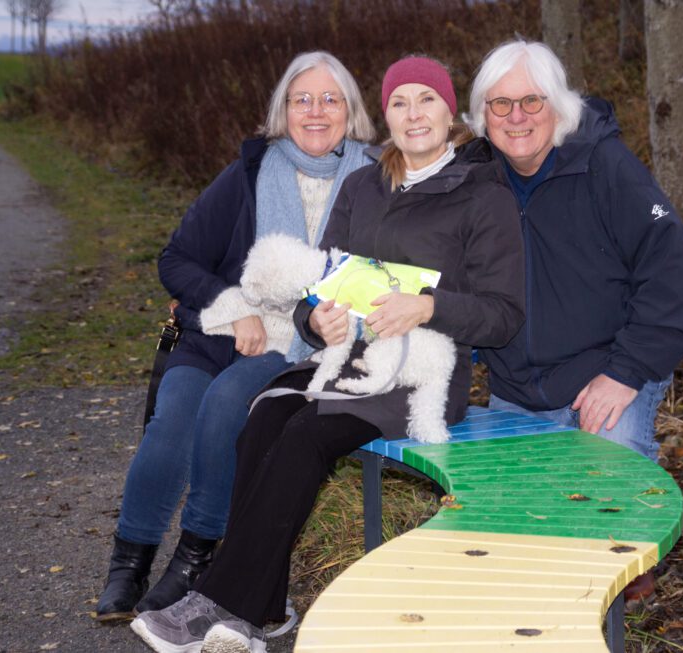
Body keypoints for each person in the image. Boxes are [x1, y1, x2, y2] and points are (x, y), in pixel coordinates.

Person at [129, 56, 525, 653]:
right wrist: (313, 318)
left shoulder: (482, 196)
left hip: (419, 377)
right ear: (385, 115)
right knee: (264, 414)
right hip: (347, 360)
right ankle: (261, 608)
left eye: (427, 101)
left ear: (451, 113)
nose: (413, 114)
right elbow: (320, 286)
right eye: (400, 102)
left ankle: (226, 606)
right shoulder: (364, 184)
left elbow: (504, 314)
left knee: (305, 434)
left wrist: (427, 306)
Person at [96, 51, 376, 621]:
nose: (316, 111)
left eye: (330, 99)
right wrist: (232, 308)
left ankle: (196, 556)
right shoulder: (249, 174)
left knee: (224, 408)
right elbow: (177, 259)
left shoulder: (374, 181)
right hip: (221, 330)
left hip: (299, 345)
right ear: (282, 111)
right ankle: (129, 561)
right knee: (171, 421)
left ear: (351, 111)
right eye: (302, 99)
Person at [464, 39, 683, 602]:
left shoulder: (604, 163)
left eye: (531, 101)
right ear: (482, 115)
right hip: (516, 382)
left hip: (606, 366)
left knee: (606, 505)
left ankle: (628, 549)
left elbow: (673, 263)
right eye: (500, 104)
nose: (516, 117)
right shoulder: (474, 179)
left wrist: (626, 371)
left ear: (559, 106)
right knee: (514, 540)